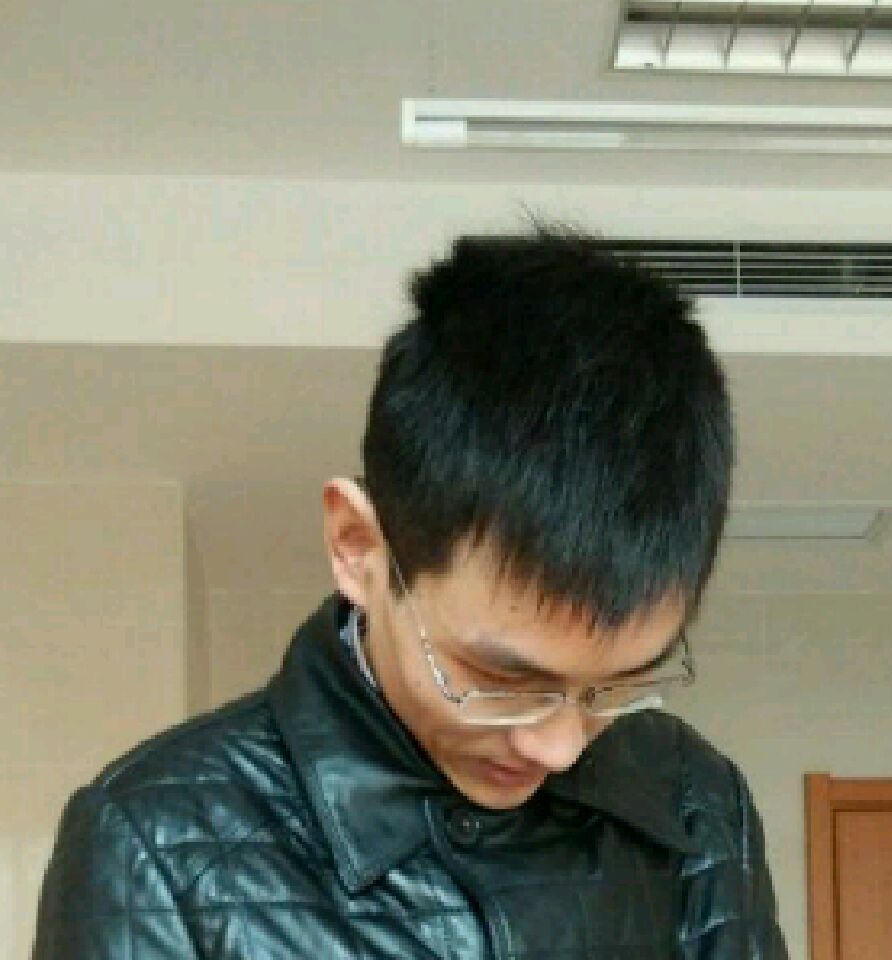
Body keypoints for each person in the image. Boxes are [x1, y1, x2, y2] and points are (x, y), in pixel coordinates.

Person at [32, 228, 787, 959]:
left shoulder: (692, 795)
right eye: (501, 680)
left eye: (614, 686)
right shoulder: (154, 843)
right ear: (357, 546)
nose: (557, 747)